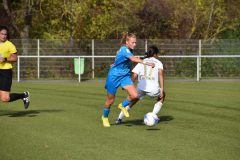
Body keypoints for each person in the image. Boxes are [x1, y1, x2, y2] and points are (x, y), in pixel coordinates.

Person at [101, 32, 155, 127]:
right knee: (110, 100)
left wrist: (115, 63)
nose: (135, 44)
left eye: (135, 42)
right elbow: (132, 59)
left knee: (135, 95)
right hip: (114, 77)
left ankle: (122, 105)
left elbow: (118, 55)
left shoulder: (128, 50)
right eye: (133, 42)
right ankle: (105, 117)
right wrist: (146, 63)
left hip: (125, 76)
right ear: (127, 42)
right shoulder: (124, 49)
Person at [115, 45, 165, 124]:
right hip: (153, 89)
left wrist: (128, 86)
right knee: (162, 96)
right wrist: (161, 89)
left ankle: (119, 118)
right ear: (155, 54)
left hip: (141, 87)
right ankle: (153, 115)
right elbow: (161, 75)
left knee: (133, 100)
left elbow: (134, 76)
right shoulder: (159, 63)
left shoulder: (142, 61)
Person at [0, 25, 30, 108]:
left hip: (5, 72)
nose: (4, 36)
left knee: (5, 98)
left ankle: (23, 95)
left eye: (5, 34)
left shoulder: (10, 45)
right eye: (2, 34)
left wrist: (5, 59)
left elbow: (15, 58)